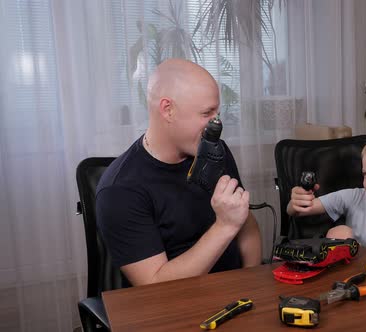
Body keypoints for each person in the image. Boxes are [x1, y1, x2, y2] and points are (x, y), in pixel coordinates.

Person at [96, 59, 262, 286]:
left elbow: (247, 225)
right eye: (207, 113)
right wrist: (225, 226)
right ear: (168, 110)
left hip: (231, 297)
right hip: (172, 309)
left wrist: (250, 283)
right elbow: (155, 285)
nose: (216, 123)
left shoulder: (215, 153)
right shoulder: (120, 189)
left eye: (217, 112)